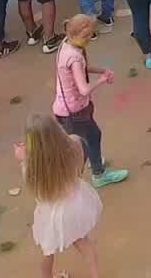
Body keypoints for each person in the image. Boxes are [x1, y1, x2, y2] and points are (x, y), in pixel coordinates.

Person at [22, 112, 111, 276]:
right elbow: (78, 172)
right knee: (85, 245)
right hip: (75, 205)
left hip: (51, 213)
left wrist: (24, 159)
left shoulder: (31, 165)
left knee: (47, 251)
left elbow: (36, 193)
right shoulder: (74, 142)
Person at [50, 14, 130, 189]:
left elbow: (82, 69)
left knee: (86, 139)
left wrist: (101, 70)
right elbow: (84, 89)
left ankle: (93, 163)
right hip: (74, 110)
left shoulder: (66, 44)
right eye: (86, 36)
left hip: (65, 107)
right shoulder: (75, 57)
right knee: (87, 141)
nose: (89, 40)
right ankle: (95, 175)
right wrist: (102, 79)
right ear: (76, 34)